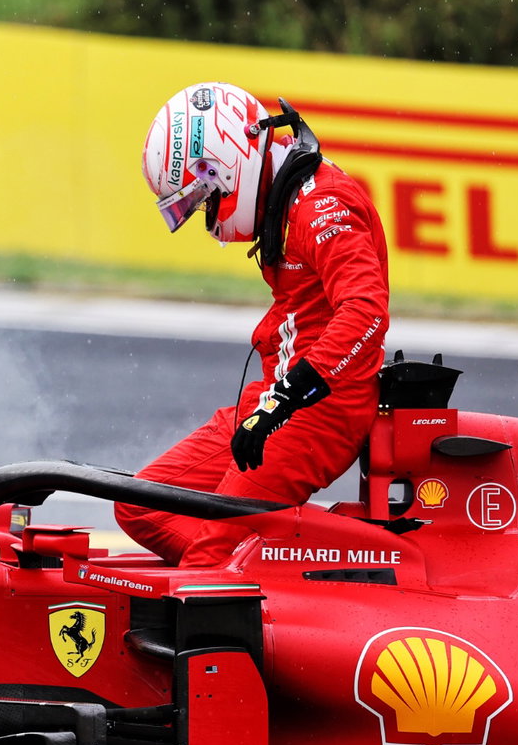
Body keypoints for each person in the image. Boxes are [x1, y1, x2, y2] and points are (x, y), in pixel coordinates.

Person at [114, 82, 390, 567]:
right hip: (272, 400)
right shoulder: (285, 199)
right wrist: (273, 402)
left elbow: (366, 312)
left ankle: (252, 568)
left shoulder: (321, 206)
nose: (207, 215)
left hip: (318, 411)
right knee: (138, 507)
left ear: (226, 164)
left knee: (208, 566)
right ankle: (265, 561)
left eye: (204, 199)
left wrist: (286, 399)